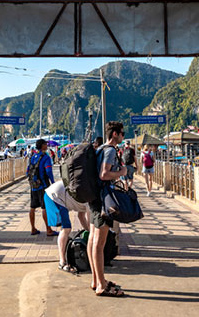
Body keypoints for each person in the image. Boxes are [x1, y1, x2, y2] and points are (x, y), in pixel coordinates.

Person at [88, 121, 127, 297]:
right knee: (99, 242)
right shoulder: (110, 150)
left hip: (94, 198)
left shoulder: (100, 149)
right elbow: (104, 174)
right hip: (103, 200)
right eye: (122, 133)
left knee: (92, 239)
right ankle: (102, 285)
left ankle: (96, 280)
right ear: (115, 134)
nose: (123, 136)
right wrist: (122, 172)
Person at [43, 180, 89, 273]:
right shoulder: (91, 201)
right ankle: (62, 262)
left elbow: (81, 216)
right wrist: (91, 232)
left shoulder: (88, 196)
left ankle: (64, 257)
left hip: (56, 194)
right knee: (66, 228)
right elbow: (90, 222)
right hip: (54, 196)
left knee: (66, 228)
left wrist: (88, 230)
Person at [26, 139, 57, 236]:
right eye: (45, 144)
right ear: (42, 145)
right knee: (45, 207)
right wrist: (53, 182)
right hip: (43, 185)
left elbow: (27, 171)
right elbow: (48, 171)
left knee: (32, 207)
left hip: (33, 186)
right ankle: (49, 230)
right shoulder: (45, 157)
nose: (47, 145)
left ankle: (33, 229)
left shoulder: (32, 156)